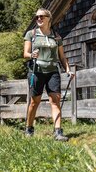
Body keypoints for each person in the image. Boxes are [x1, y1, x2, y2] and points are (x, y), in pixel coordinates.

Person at [24, 8, 74, 141]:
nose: (39, 19)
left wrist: (67, 69)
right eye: (37, 17)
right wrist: (31, 55)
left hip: (53, 71)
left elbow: (62, 57)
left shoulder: (56, 36)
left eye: (41, 17)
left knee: (55, 100)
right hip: (36, 71)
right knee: (35, 102)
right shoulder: (31, 34)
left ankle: (58, 131)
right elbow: (25, 54)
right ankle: (29, 128)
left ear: (48, 19)